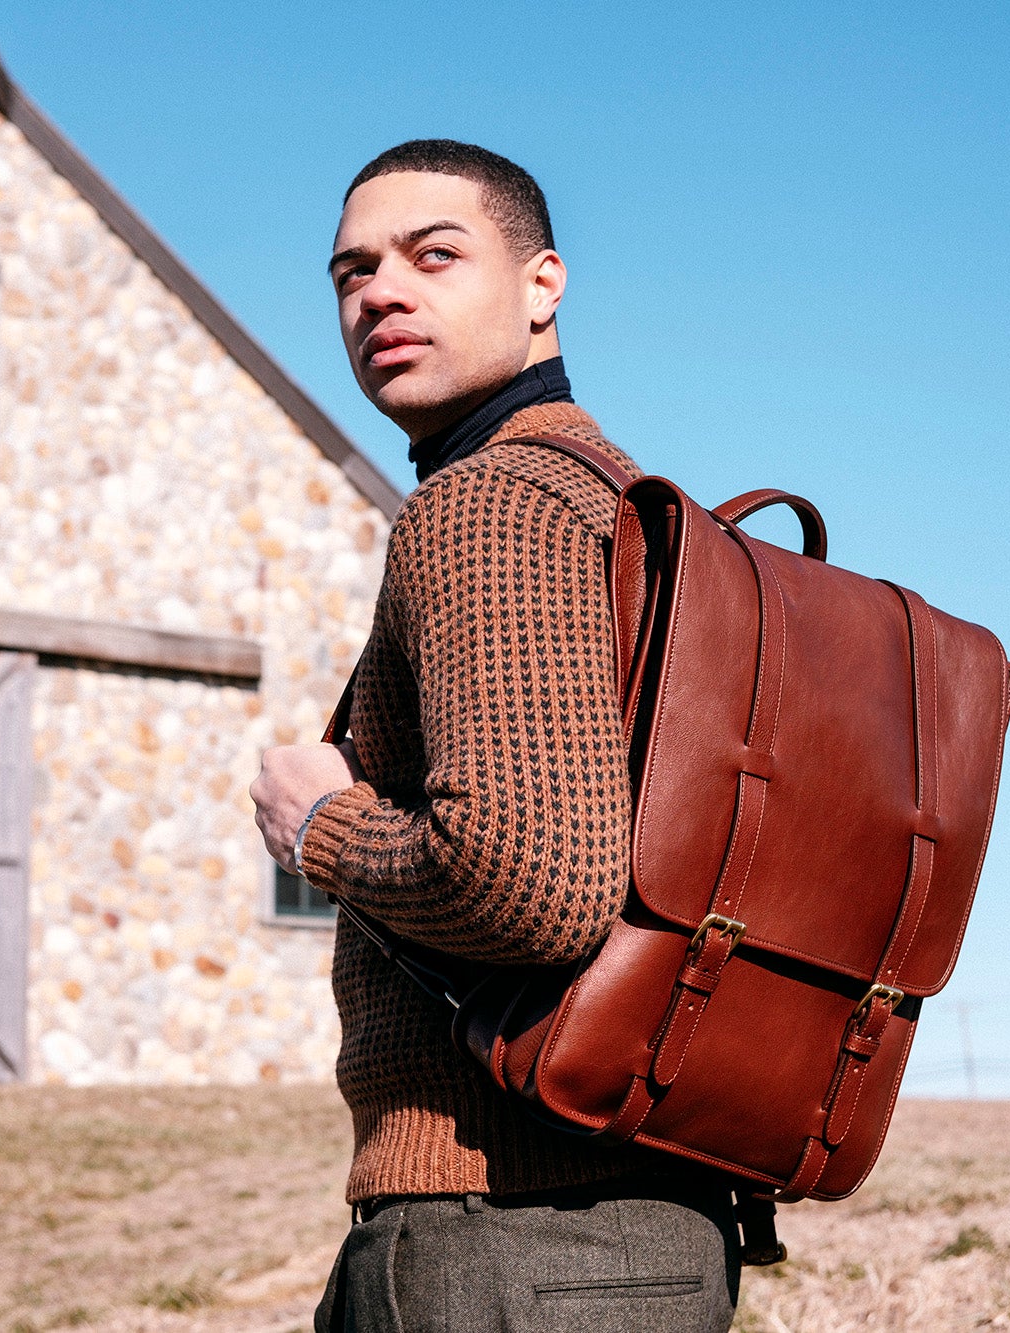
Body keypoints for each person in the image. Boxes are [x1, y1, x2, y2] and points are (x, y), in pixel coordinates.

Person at [250, 140, 740, 1332]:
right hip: (641, 1227)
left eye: (434, 254)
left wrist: (319, 825)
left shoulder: (487, 500)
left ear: (541, 284)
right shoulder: (620, 503)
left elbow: (529, 885)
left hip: (501, 1239)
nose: (380, 293)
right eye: (350, 272)